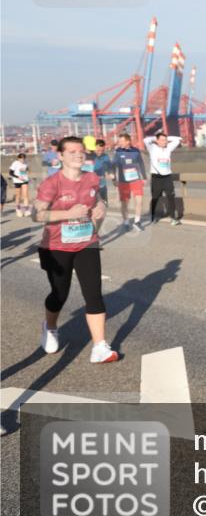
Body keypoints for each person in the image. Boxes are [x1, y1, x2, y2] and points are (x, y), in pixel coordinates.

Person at [33, 136, 119, 363]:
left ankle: (99, 347)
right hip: (56, 246)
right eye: (71, 152)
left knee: (93, 294)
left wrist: (101, 206)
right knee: (59, 294)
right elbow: (37, 214)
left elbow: (98, 198)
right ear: (60, 156)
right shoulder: (52, 184)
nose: (78, 155)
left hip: (87, 243)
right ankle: (50, 326)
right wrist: (67, 214)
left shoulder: (92, 178)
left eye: (81, 151)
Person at [143, 132, 182, 225]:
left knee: (171, 197)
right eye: (162, 140)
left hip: (167, 177)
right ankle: (152, 216)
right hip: (156, 177)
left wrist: (166, 138)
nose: (164, 142)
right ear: (157, 141)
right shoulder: (152, 148)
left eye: (166, 140)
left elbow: (178, 139)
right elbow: (145, 140)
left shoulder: (168, 148)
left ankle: (173, 218)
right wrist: (156, 139)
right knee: (155, 198)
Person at [110, 132, 146, 232]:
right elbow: (113, 166)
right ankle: (126, 222)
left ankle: (137, 221)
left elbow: (141, 164)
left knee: (139, 201)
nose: (119, 143)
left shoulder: (136, 151)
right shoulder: (118, 152)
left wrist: (144, 177)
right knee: (125, 203)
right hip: (123, 181)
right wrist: (114, 179)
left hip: (136, 179)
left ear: (128, 141)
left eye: (121, 141)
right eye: (119, 141)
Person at [8, 153, 31, 217]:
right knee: (18, 195)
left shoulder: (26, 163)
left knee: (26, 195)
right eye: (21, 158)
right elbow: (10, 173)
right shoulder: (15, 163)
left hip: (24, 180)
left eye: (23, 158)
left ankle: (26, 210)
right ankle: (18, 209)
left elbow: (27, 169)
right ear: (18, 158)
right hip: (17, 181)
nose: (22, 160)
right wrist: (18, 177)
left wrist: (27, 171)